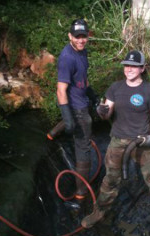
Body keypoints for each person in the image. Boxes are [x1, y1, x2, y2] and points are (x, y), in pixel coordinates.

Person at [81, 50, 150, 236]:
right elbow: (107, 112)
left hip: (141, 142)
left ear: (142, 68)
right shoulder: (115, 88)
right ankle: (100, 211)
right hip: (118, 140)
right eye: (127, 66)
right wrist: (101, 111)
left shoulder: (149, 91)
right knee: (111, 179)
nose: (129, 69)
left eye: (134, 66)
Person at [56, 19, 99, 200]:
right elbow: (61, 90)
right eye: (77, 37)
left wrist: (93, 95)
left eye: (84, 36)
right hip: (76, 107)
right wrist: (67, 117)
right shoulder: (67, 58)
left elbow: (83, 78)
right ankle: (81, 193)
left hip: (82, 101)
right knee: (84, 148)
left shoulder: (82, 52)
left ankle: (51, 134)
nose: (81, 40)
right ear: (70, 36)